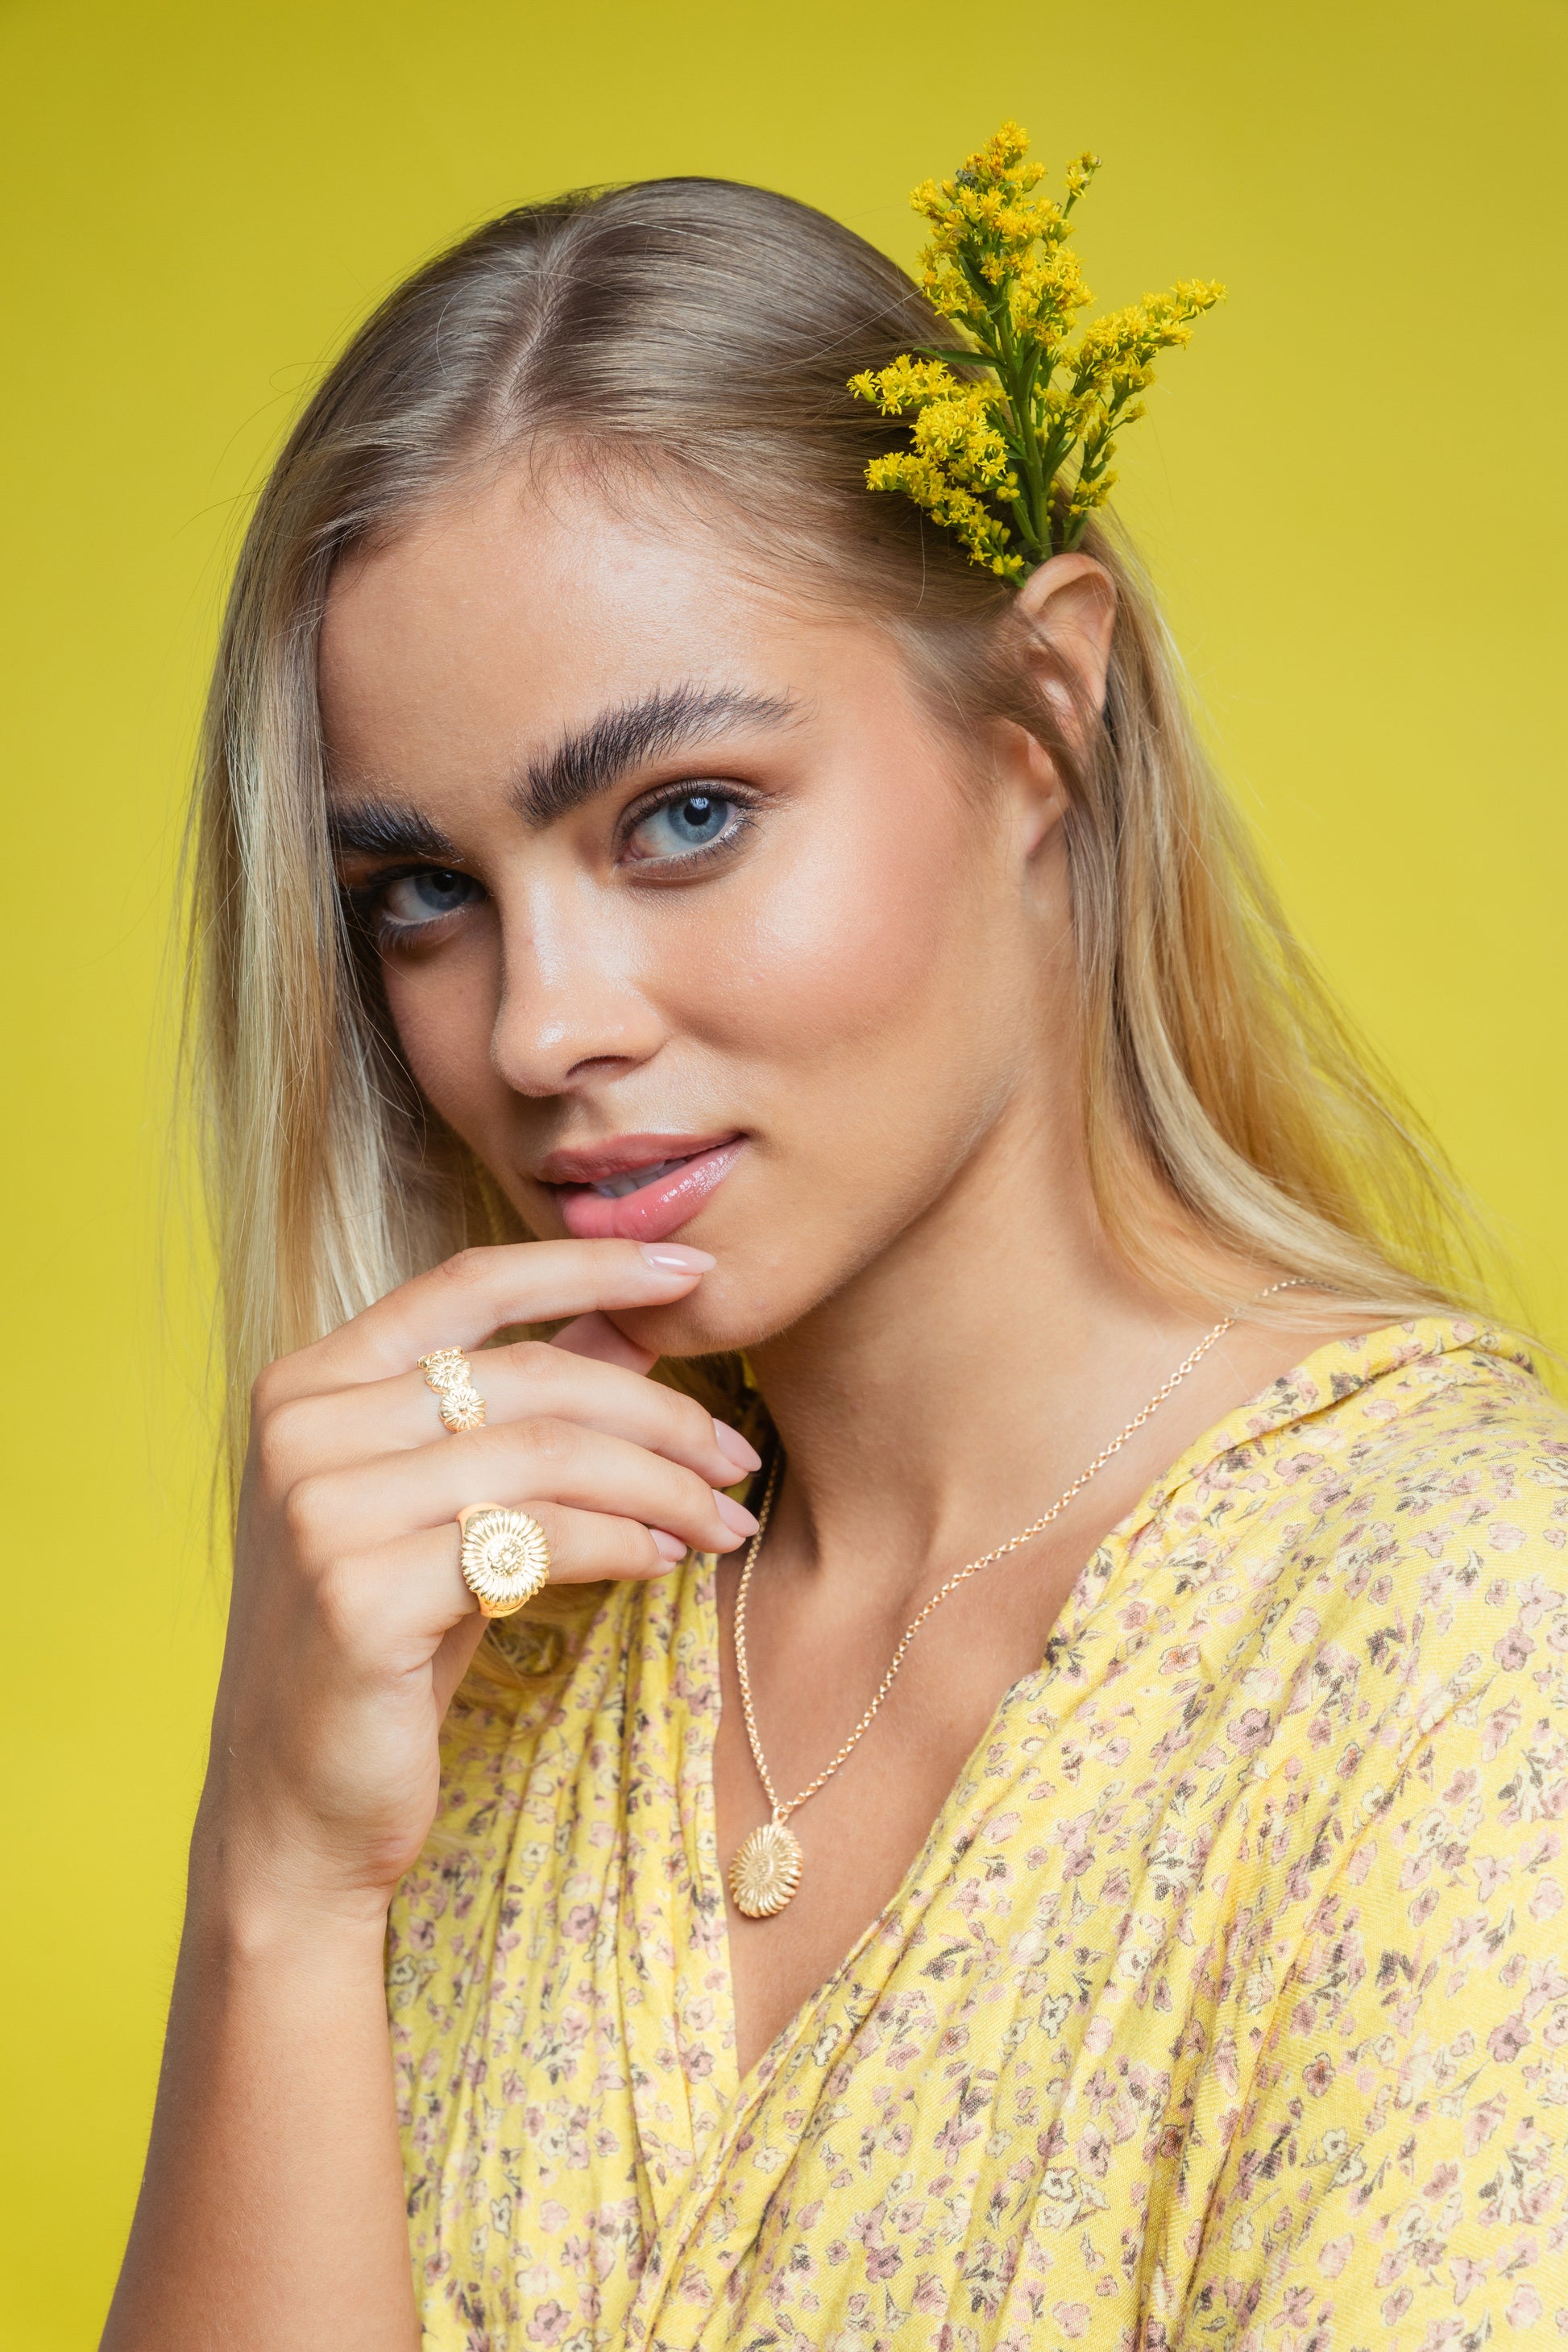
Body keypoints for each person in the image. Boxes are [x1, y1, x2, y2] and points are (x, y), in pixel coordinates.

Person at [103, 129, 1568, 2351]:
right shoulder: (488, 1638)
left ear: (1040, 727)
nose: (542, 1023)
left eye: (681, 818)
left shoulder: (1461, 1648)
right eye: (427, 890)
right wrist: (281, 1885)